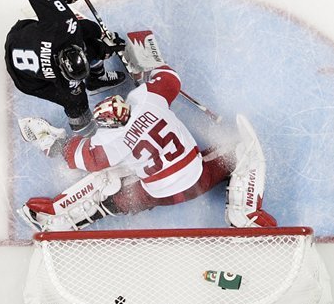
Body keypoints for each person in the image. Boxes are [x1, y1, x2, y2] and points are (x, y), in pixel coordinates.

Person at [18, 64, 277, 232]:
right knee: (240, 150)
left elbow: (78, 157)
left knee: (108, 184)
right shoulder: (147, 101)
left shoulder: (110, 141)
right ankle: (245, 213)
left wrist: (55, 143)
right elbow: (170, 78)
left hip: (158, 193)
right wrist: (146, 70)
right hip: (196, 178)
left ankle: (57, 217)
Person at [5, 0, 126, 137]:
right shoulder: (69, 87)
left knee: (91, 29)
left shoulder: (61, 23)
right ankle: (96, 78)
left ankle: (96, 78)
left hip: (18, 38)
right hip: (27, 81)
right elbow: (80, 119)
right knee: (77, 104)